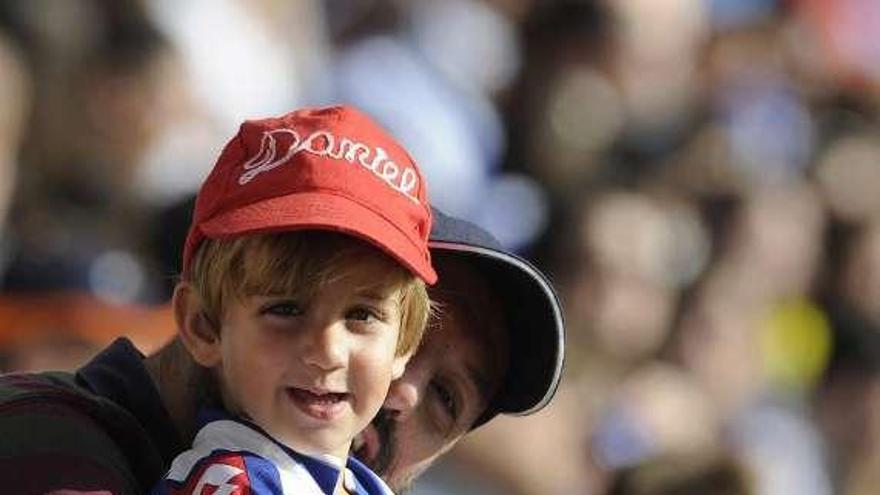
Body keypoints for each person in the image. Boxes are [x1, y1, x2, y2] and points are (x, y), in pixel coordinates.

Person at [0, 111, 565, 493]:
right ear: (205, 321)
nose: (402, 391)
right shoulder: (52, 445)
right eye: (293, 305)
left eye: (445, 397)